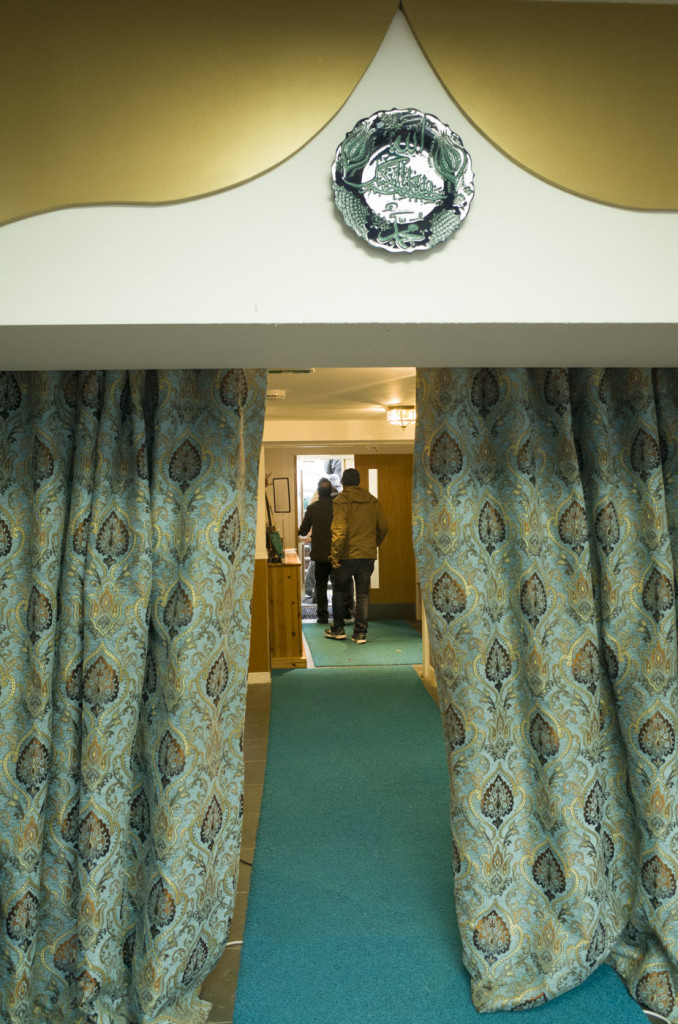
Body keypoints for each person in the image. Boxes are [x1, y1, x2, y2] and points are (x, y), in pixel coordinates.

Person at [325, 467, 388, 644]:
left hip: (346, 554)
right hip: (367, 554)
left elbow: (339, 529)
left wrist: (335, 555)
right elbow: (383, 527)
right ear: (359, 482)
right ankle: (360, 633)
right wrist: (372, 544)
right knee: (363, 594)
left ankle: (338, 629)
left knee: (338, 590)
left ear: (343, 483)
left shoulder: (340, 501)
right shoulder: (372, 501)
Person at [298, 477, 336, 625]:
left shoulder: (313, 508)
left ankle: (323, 616)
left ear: (319, 492)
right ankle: (340, 614)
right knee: (338, 586)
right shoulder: (338, 507)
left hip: (320, 554)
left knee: (320, 585)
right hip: (336, 553)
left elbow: (303, 531)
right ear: (331, 491)